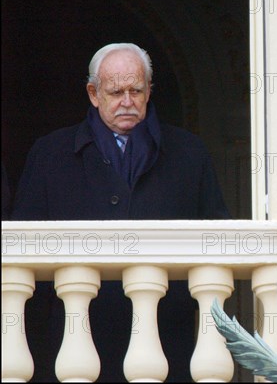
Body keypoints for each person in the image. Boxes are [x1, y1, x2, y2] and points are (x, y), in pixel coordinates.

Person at [11, 43, 231, 382]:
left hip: (169, 341)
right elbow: (19, 248)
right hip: (73, 344)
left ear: (149, 91)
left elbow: (220, 242)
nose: (127, 101)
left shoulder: (189, 152)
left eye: (136, 91)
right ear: (93, 94)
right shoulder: (49, 154)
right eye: (115, 92)